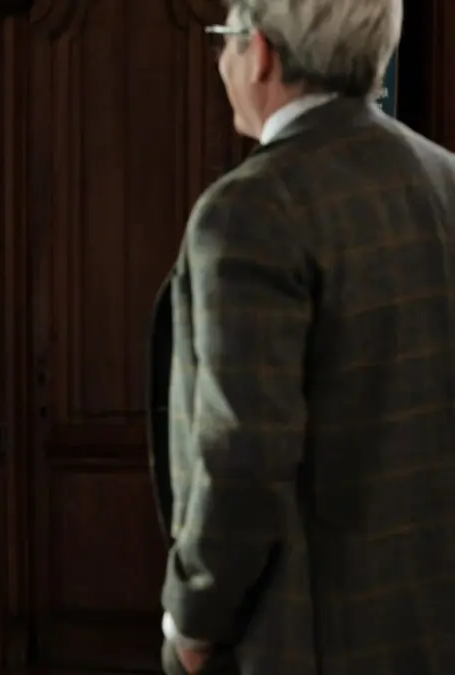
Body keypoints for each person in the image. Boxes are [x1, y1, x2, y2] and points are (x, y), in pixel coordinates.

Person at [148, 0, 455, 673]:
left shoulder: (250, 209)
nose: (220, 63)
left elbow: (242, 459)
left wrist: (192, 622)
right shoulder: (446, 180)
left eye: (225, 39)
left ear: (260, 52)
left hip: (305, 641)